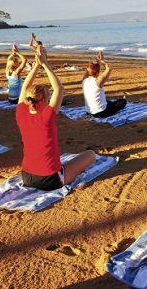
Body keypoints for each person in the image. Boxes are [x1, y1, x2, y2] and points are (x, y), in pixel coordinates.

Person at [16, 43, 95, 191]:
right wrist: (44, 63)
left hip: (26, 176)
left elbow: (25, 87)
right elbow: (59, 87)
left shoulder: (21, 113)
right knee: (90, 155)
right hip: (50, 179)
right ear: (45, 100)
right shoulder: (47, 115)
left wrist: (36, 66)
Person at [82, 51, 126, 118]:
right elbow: (109, 68)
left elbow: (89, 70)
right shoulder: (98, 81)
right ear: (98, 71)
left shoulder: (84, 79)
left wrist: (97, 61)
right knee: (123, 102)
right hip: (100, 113)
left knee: (107, 101)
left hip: (89, 111)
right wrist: (103, 61)